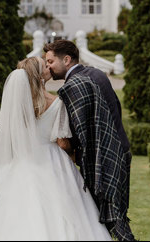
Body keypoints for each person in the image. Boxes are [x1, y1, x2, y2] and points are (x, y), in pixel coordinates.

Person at [0, 57, 112, 241]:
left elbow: (0, 141)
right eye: (45, 66)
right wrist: (73, 154)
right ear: (39, 76)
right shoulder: (57, 102)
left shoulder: (15, 105)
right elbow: (62, 143)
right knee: (66, 212)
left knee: (20, 216)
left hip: (24, 164)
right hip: (54, 163)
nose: (49, 67)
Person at [44, 40, 135, 241]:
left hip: (103, 157)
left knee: (110, 215)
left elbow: (81, 127)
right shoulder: (96, 74)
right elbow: (115, 110)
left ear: (66, 60)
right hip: (120, 147)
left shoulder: (74, 85)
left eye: (50, 61)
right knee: (117, 211)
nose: (48, 66)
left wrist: (71, 150)